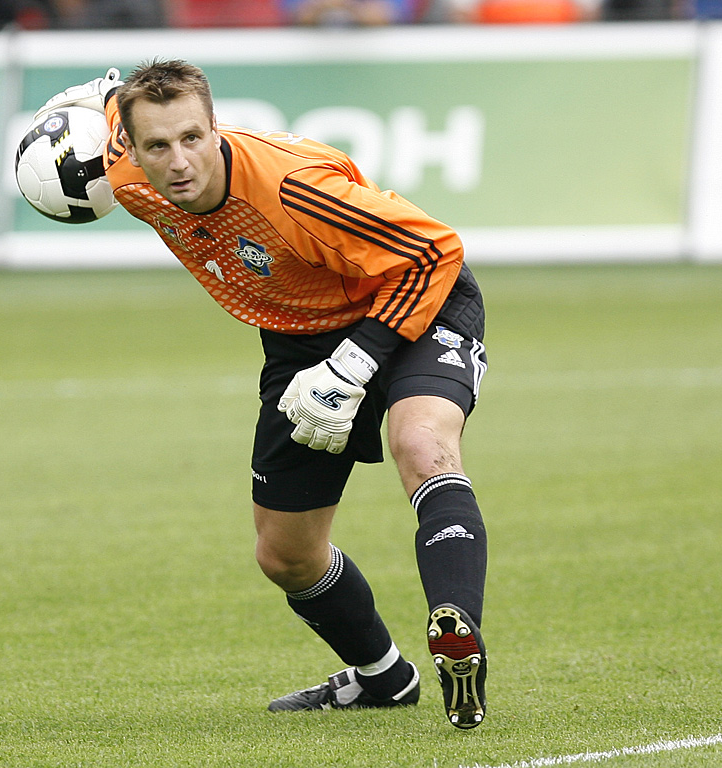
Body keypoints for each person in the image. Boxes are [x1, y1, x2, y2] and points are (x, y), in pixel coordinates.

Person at [33, 60, 490, 729]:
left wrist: (354, 364)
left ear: (215, 127)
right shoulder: (124, 172)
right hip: (299, 335)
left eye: (193, 138)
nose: (178, 161)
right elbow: (113, 102)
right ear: (129, 147)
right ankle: (384, 679)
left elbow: (432, 251)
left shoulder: (292, 189)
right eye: (158, 145)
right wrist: (100, 93)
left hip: (412, 301)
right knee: (285, 554)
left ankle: (458, 634)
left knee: (421, 445)